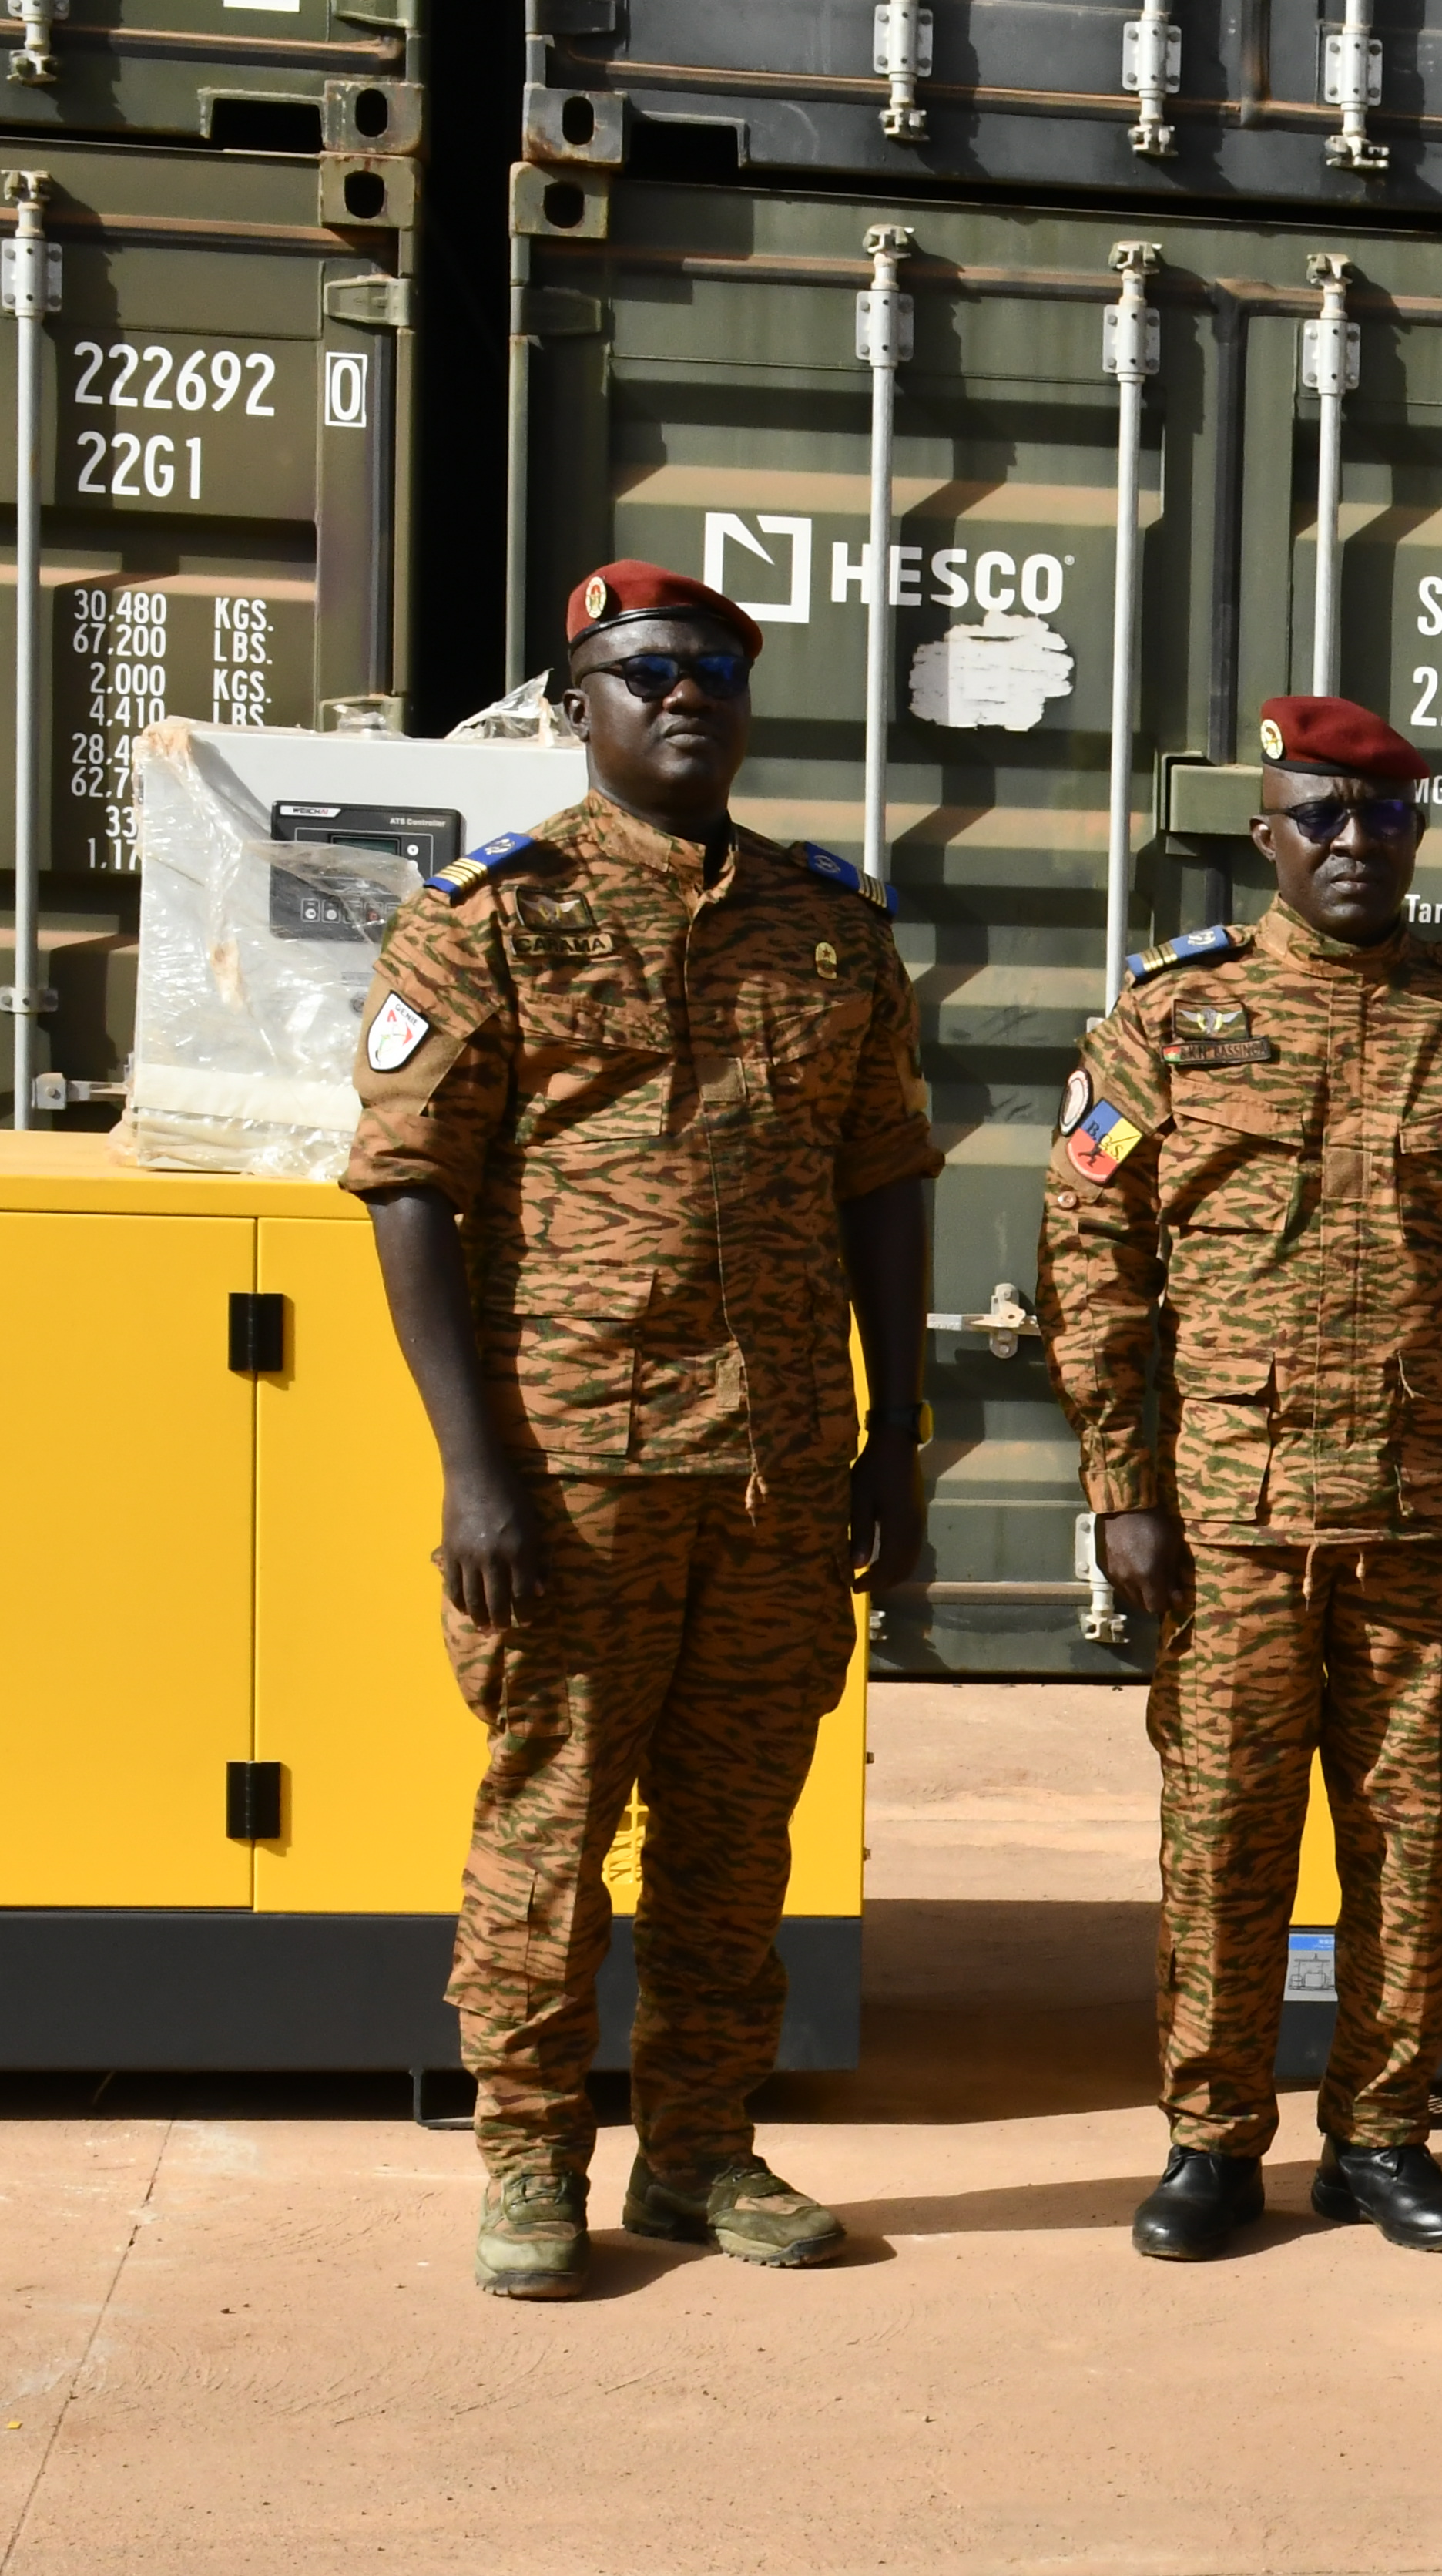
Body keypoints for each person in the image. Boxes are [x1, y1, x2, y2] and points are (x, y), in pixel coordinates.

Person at [350, 558, 937, 2301]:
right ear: (579, 705)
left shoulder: (830, 925)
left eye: (716, 675)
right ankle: (532, 2162)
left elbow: (886, 1183)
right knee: (549, 1829)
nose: (687, 697)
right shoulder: (490, 917)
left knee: (734, 1834)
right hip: (573, 1471)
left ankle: (698, 2150)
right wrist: (475, 1469)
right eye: (649, 671)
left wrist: (894, 1439)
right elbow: (408, 1188)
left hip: (776, 1470)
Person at [1039, 694, 1442, 2263]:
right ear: (1268, 835)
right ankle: (1212, 2138)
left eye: (1384, 816)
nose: (1355, 842)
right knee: (1223, 1838)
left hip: (1427, 1517)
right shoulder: (1171, 1020)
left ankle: (1381, 2135)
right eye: (1321, 816)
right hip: (1230, 1519)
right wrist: (1122, 1484)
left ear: (1419, 834)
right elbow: (1091, 1254)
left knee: (1410, 1842)